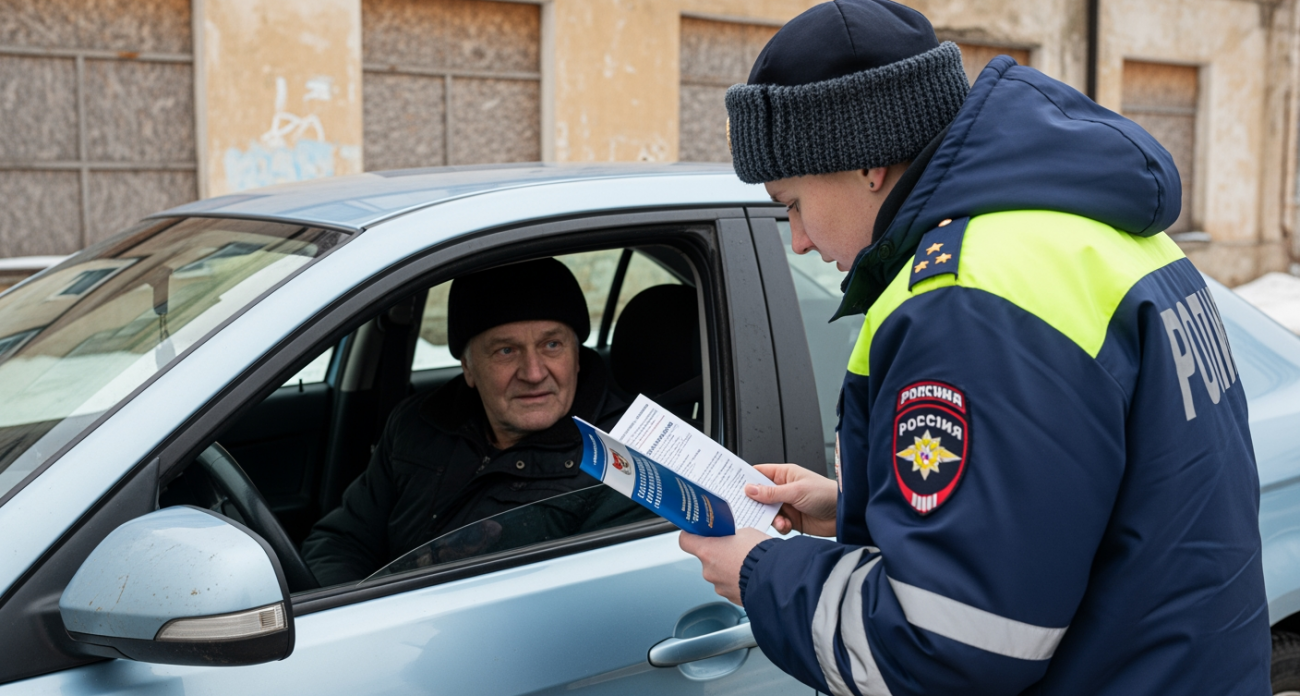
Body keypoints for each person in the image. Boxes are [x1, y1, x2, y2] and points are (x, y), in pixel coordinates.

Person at [678, 1, 1270, 694]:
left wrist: (760, 574)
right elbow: (1082, 492)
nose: (799, 239)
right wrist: (857, 502)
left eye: (794, 203)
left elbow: (948, 644)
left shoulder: (968, 299)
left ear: (867, 163)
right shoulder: (1088, 229)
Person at [302, 258, 628, 586]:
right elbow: (341, 542)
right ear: (469, 368)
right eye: (506, 351)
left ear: (577, 357)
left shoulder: (622, 461)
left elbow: (583, 604)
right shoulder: (418, 424)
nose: (533, 373)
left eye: (552, 345)